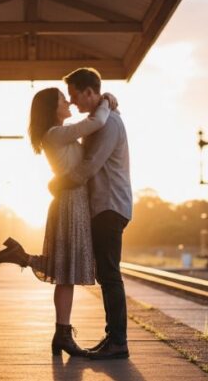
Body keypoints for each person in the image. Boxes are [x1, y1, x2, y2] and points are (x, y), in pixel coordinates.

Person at [0, 86, 118, 357]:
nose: (69, 101)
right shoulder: (56, 134)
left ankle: (21, 259)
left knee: (65, 270)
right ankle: (62, 334)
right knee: (66, 271)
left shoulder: (59, 134)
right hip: (71, 202)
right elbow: (96, 122)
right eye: (63, 99)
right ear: (52, 108)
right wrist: (106, 99)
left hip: (73, 200)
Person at [49, 68, 132, 360]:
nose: (73, 103)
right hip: (104, 206)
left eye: (75, 96)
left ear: (89, 92)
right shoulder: (100, 120)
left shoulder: (109, 125)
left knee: (110, 275)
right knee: (106, 274)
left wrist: (58, 183)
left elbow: (90, 165)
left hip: (109, 205)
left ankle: (118, 341)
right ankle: (113, 337)